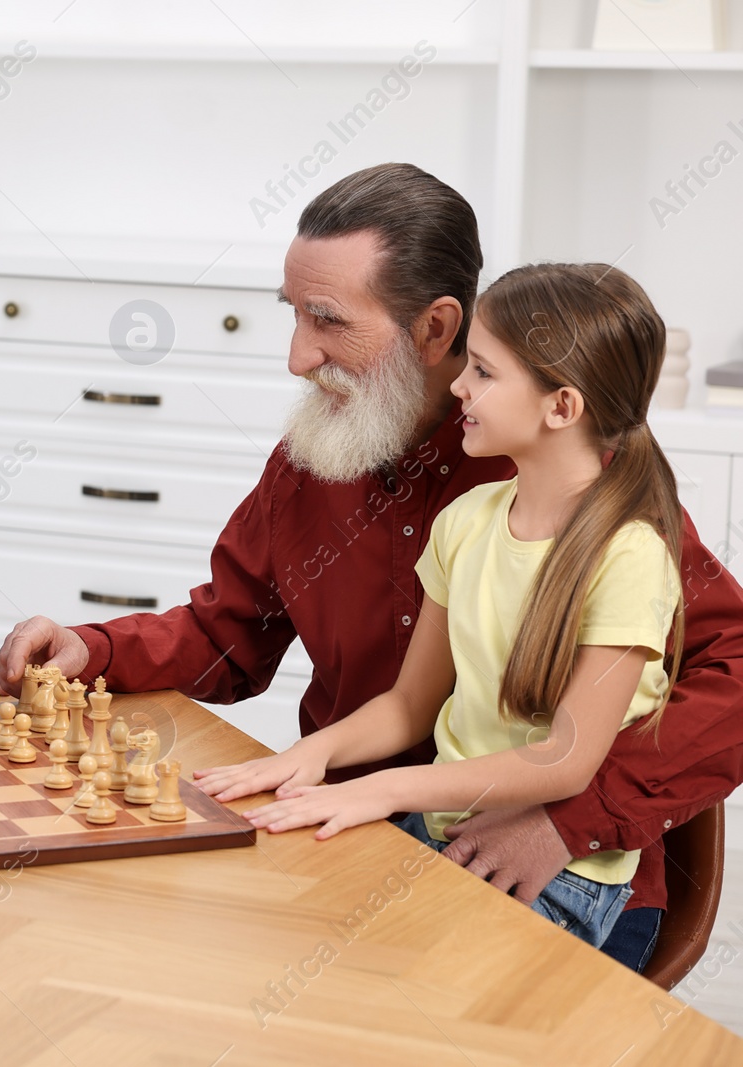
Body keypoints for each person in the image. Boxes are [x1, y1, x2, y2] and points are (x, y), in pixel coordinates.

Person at [0, 163, 743, 972]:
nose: (295, 358)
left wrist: (570, 820)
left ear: (435, 328)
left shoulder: (581, 489)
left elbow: (731, 672)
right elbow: (230, 631)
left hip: (553, 874)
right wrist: (91, 649)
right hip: (359, 834)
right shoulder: (319, 458)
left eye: (328, 321)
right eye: (293, 314)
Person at [196, 263, 682, 946]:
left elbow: (566, 759)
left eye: (483, 371)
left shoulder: (630, 555)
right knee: (275, 921)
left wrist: (386, 789)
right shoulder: (465, 521)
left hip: (563, 874)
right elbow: (407, 707)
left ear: (561, 407)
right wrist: (312, 751)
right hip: (438, 826)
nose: (458, 386)